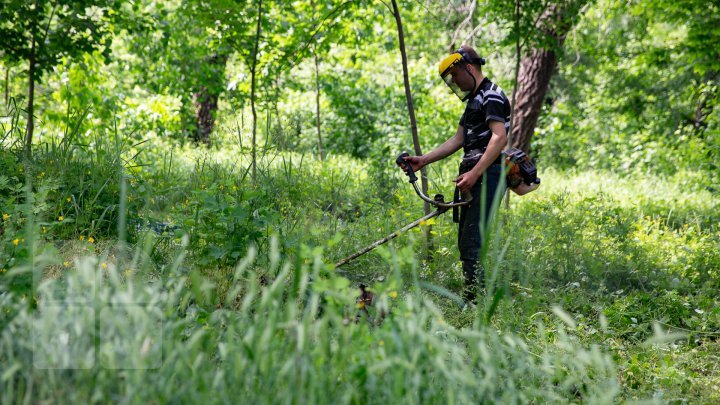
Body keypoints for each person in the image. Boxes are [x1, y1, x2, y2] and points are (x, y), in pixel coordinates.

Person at [402, 45, 510, 304]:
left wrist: (475, 173)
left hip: (489, 175)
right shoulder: (476, 99)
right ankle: (474, 301)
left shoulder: (492, 95)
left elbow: (499, 138)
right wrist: (423, 160)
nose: (455, 84)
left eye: (456, 77)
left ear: (469, 68)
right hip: (476, 175)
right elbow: (459, 139)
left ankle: (476, 306)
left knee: (472, 243)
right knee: (467, 242)